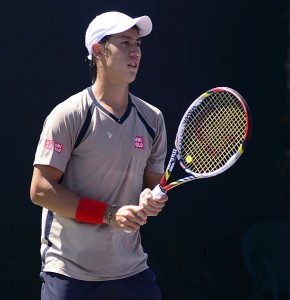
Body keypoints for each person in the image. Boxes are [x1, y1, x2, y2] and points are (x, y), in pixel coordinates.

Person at [30, 11, 168, 300]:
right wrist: (109, 215)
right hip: (69, 274)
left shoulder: (152, 118)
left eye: (138, 44)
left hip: (131, 272)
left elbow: (153, 185)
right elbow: (41, 191)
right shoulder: (68, 114)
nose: (136, 52)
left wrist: (150, 199)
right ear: (97, 50)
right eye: (125, 42)